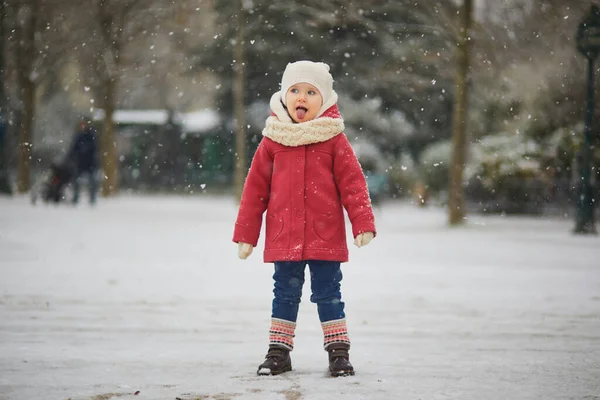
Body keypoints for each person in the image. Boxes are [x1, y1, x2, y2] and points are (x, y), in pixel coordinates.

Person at [232, 60, 376, 377]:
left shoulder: (334, 139)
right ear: (284, 96)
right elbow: (254, 190)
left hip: (325, 235)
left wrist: (363, 223)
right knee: (284, 293)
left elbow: (353, 184)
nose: (302, 97)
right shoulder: (273, 140)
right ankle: (278, 352)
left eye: (311, 92)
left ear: (323, 100)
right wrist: (246, 234)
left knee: (329, 294)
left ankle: (338, 353)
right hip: (285, 235)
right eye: (295, 90)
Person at [68, 118, 99, 205]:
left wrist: (84, 149)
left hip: (90, 163)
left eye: (84, 124)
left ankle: (92, 199)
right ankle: (75, 198)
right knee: (76, 181)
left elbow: (94, 148)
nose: (82, 126)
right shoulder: (79, 136)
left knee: (92, 181)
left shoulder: (91, 135)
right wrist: (70, 158)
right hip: (80, 163)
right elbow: (73, 148)